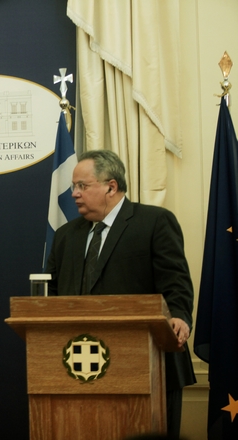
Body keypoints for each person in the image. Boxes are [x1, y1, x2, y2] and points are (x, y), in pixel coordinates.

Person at [45, 150, 195, 438]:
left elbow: (175, 280)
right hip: (79, 366)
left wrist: (179, 316)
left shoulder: (154, 222)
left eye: (82, 186)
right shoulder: (66, 235)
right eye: (74, 186)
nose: (74, 194)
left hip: (150, 363)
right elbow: (52, 292)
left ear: (111, 187)